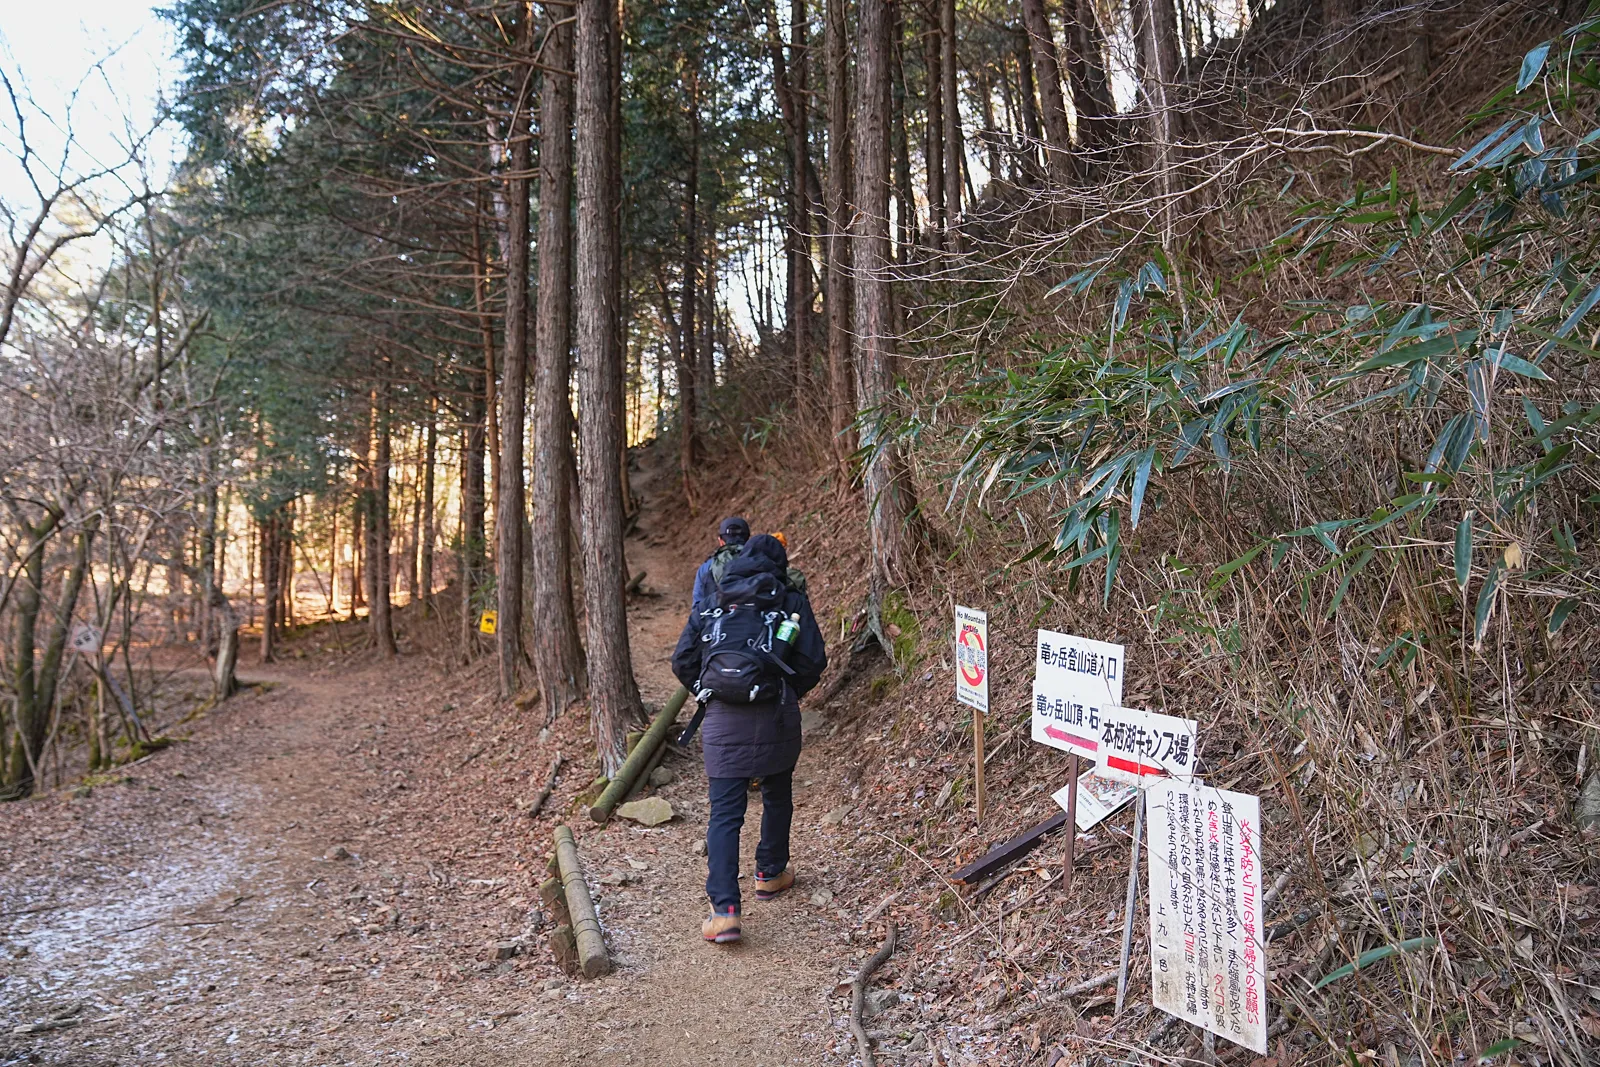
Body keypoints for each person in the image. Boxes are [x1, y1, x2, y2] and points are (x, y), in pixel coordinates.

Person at [671, 534, 827, 944]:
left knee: (725, 814)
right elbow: (813, 660)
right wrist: (786, 689)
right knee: (777, 795)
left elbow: (683, 659)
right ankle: (770, 873)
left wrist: (713, 688)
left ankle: (724, 913)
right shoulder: (790, 600)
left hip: (722, 720)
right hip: (776, 715)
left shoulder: (714, 599)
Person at [691, 516, 750, 610]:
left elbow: (697, 607)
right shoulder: (759, 561)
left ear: (720, 541)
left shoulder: (706, 568)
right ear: (748, 539)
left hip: (716, 621)